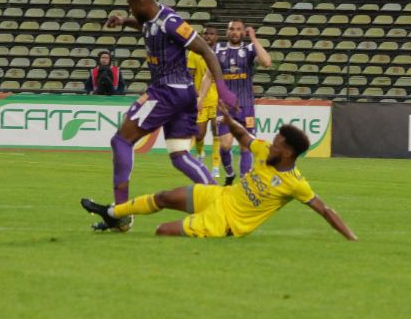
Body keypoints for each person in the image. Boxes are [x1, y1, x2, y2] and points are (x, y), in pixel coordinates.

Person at [80, 102, 357, 241]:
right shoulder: (264, 151)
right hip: (220, 196)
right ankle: (112, 213)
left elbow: (325, 210)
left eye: (277, 145)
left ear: (287, 153)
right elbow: (243, 135)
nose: (271, 145)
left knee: (162, 231)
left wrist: (351, 237)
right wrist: (227, 116)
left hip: (225, 221)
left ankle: (116, 216)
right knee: (164, 197)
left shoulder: (295, 184)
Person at [96, 0, 237, 231]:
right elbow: (144, 25)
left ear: (141, 3)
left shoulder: (171, 22)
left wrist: (222, 89)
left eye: (131, 7)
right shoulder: (151, 19)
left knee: (121, 140)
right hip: (181, 94)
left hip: (167, 91)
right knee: (180, 155)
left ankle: (121, 213)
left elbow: (206, 50)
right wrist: (124, 21)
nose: (130, 11)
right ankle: (219, 203)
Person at [214, 20, 272, 184]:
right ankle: (230, 173)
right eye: (232, 29)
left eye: (238, 29)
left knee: (245, 146)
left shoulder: (249, 49)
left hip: (246, 106)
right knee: (225, 145)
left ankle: (244, 182)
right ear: (227, 32)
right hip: (225, 107)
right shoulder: (218, 50)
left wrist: (254, 39)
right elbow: (209, 75)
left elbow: (267, 62)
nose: (235, 32)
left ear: (243, 32)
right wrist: (201, 98)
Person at [187, 26, 222, 178]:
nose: (208, 36)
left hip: (218, 99)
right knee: (199, 134)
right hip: (201, 99)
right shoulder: (194, 53)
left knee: (217, 131)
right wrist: (194, 93)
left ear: (217, 37)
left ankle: (215, 165)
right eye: (206, 33)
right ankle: (201, 153)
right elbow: (189, 75)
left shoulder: (222, 53)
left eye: (211, 34)